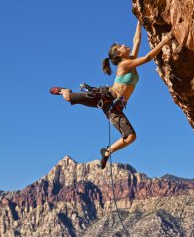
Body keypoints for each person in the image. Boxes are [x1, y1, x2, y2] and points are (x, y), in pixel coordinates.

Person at [50, 21, 172, 169]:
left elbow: (136, 40)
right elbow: (147, 58)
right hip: (105, 97)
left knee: (131, 136)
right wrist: (164, 41)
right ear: (119, 54)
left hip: (115, 106)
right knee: (69, 97)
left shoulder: (131, 60)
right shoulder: (123, 65)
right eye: (120, 46)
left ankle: (107, 151)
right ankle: (64, 90)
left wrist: (139, 22)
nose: (124, 44)